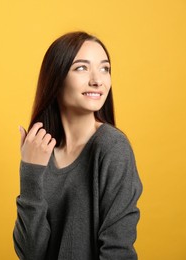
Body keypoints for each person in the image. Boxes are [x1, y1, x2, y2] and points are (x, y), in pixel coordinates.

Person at [13, 31, 143, 260]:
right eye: (82, 68)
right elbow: (30, 254)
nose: (97, 80)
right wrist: (30, 173)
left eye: (105, 68)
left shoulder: (112, 147)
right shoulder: (41, 153)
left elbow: (118, 252)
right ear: (56, 78)